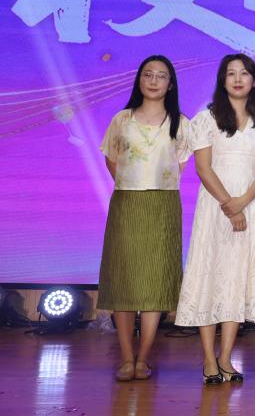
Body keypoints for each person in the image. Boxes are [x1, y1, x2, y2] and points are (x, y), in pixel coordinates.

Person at [176, 54, 255, 385]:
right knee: (210, 276)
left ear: (254, 81)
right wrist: (228, 205)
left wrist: (242, 204)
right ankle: (209, 358)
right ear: (222, 80)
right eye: (231, 73)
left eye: (244, 73)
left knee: (236, 279)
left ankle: (226, 357)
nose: (237, 79)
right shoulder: (205, 119)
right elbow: (203, 168)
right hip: (215, 206)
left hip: (249, 204)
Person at [98, 55, 191, 382]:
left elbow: (180, 165)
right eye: (148, 74)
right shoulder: (122, 119)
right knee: (123, 278)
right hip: (127, 203)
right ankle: (126, 357)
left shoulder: (181, 122)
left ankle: (143, 357)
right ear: (139, 80)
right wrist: (131, 184)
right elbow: (112, 159)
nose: (153, 80)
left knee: (155, 280)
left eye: (161, 76)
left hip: (163, 204)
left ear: (170, 83)